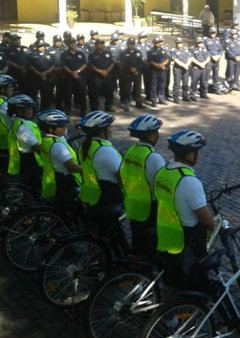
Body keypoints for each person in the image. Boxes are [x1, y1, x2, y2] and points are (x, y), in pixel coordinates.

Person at [154, 130, 215, 289]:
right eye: (196, 152)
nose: (198, 155)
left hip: (167, 236)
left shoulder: (163, 172)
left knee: (172, 280)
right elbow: (207, 220)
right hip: (188, 243)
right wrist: (214, 229)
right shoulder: (189, 181)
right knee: (192, 283)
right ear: (189, 154)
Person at [78, 111, 128, 249]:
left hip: (91, 194)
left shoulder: (85, 146)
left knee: (98, 233)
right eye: (109, 127)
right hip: (107, 198)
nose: (112, 129)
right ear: (101, 132)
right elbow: (122, 176)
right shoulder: (105, 150)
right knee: (109, 235)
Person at [120, 115, 165, 258]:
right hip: (150, 209)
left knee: (137, 244)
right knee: (151, 250)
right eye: (156, 132)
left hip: (133, 205)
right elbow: (161, 187)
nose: (157, 135)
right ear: (151, 135)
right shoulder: (153, 157)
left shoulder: (131, 151)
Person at [37, 109, 82, 216]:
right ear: (50, 129)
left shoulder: (47, 140)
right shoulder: (57, 145)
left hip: (54, 180)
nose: (65, 128)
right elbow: (71, 167)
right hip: (67, 182)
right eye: (61, 126)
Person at [6, 95, 43, 189]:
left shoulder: (18, 122)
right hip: (30, 160)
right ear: (18, 111)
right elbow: (36, 147)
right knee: (33, 188)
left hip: (28, 159)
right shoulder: (22, 128)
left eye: (30, 108)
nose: (30, 111)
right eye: (26, 109)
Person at [60, 37, 88, 117]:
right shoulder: (64, 54)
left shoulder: (80, 53)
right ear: (68, 45)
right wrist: (72, 73)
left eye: (74, 43)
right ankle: (68, 111)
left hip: (80, 77)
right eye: (71, 43)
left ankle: (83, 110)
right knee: (68, 95)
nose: (73, 45)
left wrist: (78, 71)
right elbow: (63, 65)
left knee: (82, 94)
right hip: (69, 78)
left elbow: (85, 64)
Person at [88, 39, 116, 112]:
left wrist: (107, 71)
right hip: (97, 76)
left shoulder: (108, 53)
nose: (102, 45)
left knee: (109, 92)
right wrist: (100, 71)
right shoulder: (92, 54)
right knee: (96, 92)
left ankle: (108, 106)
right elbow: (91, 65)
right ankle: (95, 107)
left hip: (107, 75)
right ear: (96, 45)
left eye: (103, 44)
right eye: (100, 44)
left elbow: (112, 63)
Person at [120, 37, 146, 111]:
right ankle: (127, 104)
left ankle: (138, 103)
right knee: (127, 89)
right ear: (128, 44)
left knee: (138, 90)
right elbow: (123, 64)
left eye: (133, 44)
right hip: (128, 74)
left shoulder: (138, 52)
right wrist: (130, 69)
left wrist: (137, 70)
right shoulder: (124, 53)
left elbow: (141, 63)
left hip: (137, 74)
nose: (132, 46)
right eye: (130, 44)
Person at [28, 41, 55, 110]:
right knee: (34, 94)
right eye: (40, 46)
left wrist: (45, 73)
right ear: (37, 47)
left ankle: (44, 108)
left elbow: (53, 66)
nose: (42, 47)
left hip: (46, 78)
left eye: (43, 46)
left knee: (45, 94)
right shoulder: (32, 55)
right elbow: (30, 66)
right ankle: (34, 108)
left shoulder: (49, 55)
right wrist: (38, 73)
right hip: (35, 78)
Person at [0, 75, 18, 172]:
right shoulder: (4, 104)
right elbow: (14, 121)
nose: (12, 89)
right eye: (10, 86)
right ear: (2, 88)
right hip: (4, 144)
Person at [147, 36, 170, 107]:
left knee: (162, 85)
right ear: (154, 43)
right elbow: (150, 61)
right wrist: (158, 66)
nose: (160, 44)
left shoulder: (163, 50)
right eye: (158, 43)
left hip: (163, 70)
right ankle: (154, 100)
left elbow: (167, 59)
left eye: (160, 42)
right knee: (154, 86)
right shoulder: (150, 51)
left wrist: (162, 65)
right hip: (154, 71)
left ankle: (162, 99)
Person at [171, 38, 192, 103]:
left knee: (185, 84)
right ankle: (176, 98)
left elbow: (190, 58)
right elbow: (175, 60)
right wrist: (184, 65)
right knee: (177, 84)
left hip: (186, 69)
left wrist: (187, 65)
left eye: (181, 43)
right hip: (178, 69)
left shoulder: (186, 50)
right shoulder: (173, 50)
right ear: (176, 44)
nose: (180, 44)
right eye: (178, 43)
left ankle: (185, 96)